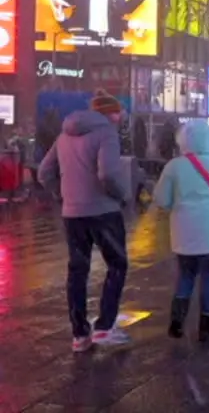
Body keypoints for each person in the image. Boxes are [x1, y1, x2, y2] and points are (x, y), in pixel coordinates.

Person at [38, 89, 130, 352]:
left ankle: (80, 335)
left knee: (78, 270)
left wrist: (62, 194)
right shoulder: (107, 133)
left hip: (73, 214)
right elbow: (108, 174)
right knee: (117, 264)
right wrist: (122, 196)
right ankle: (104, 327)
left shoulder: (64, 135)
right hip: (104, 212)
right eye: (118, 113)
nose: (121, 118)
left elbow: (45, 172)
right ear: (110, 114)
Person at [152, 119, 209, 343]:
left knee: (185, 276)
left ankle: (177, 323)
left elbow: (161, 199)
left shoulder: (174, 166)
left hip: (184, 232)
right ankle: (207, 327)